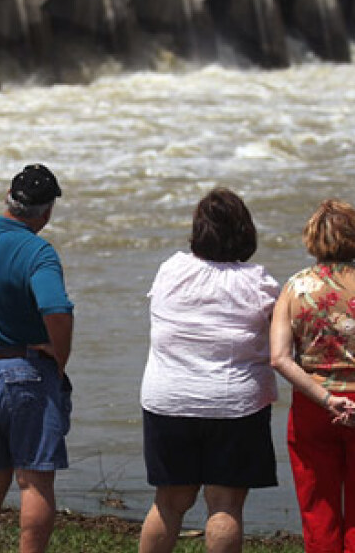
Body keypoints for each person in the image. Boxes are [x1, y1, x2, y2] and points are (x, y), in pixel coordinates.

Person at [138, 187, 280, 553]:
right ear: (245, 232)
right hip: (235, 404)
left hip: (168, 399)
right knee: (225, 505)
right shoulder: (258, 282)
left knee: (168, 503)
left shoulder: (171, 270)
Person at [269, 199, 355, 553]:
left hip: (314, 406)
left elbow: (280, 359)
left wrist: (328, 400)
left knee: (318, 505)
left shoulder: (295, 288)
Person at [0, 163, 75, 553]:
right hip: (22, 373)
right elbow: (56, 308)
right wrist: (59, 355)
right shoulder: (38, 251)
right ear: (47, 212)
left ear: (9, 198)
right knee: (34, 481)